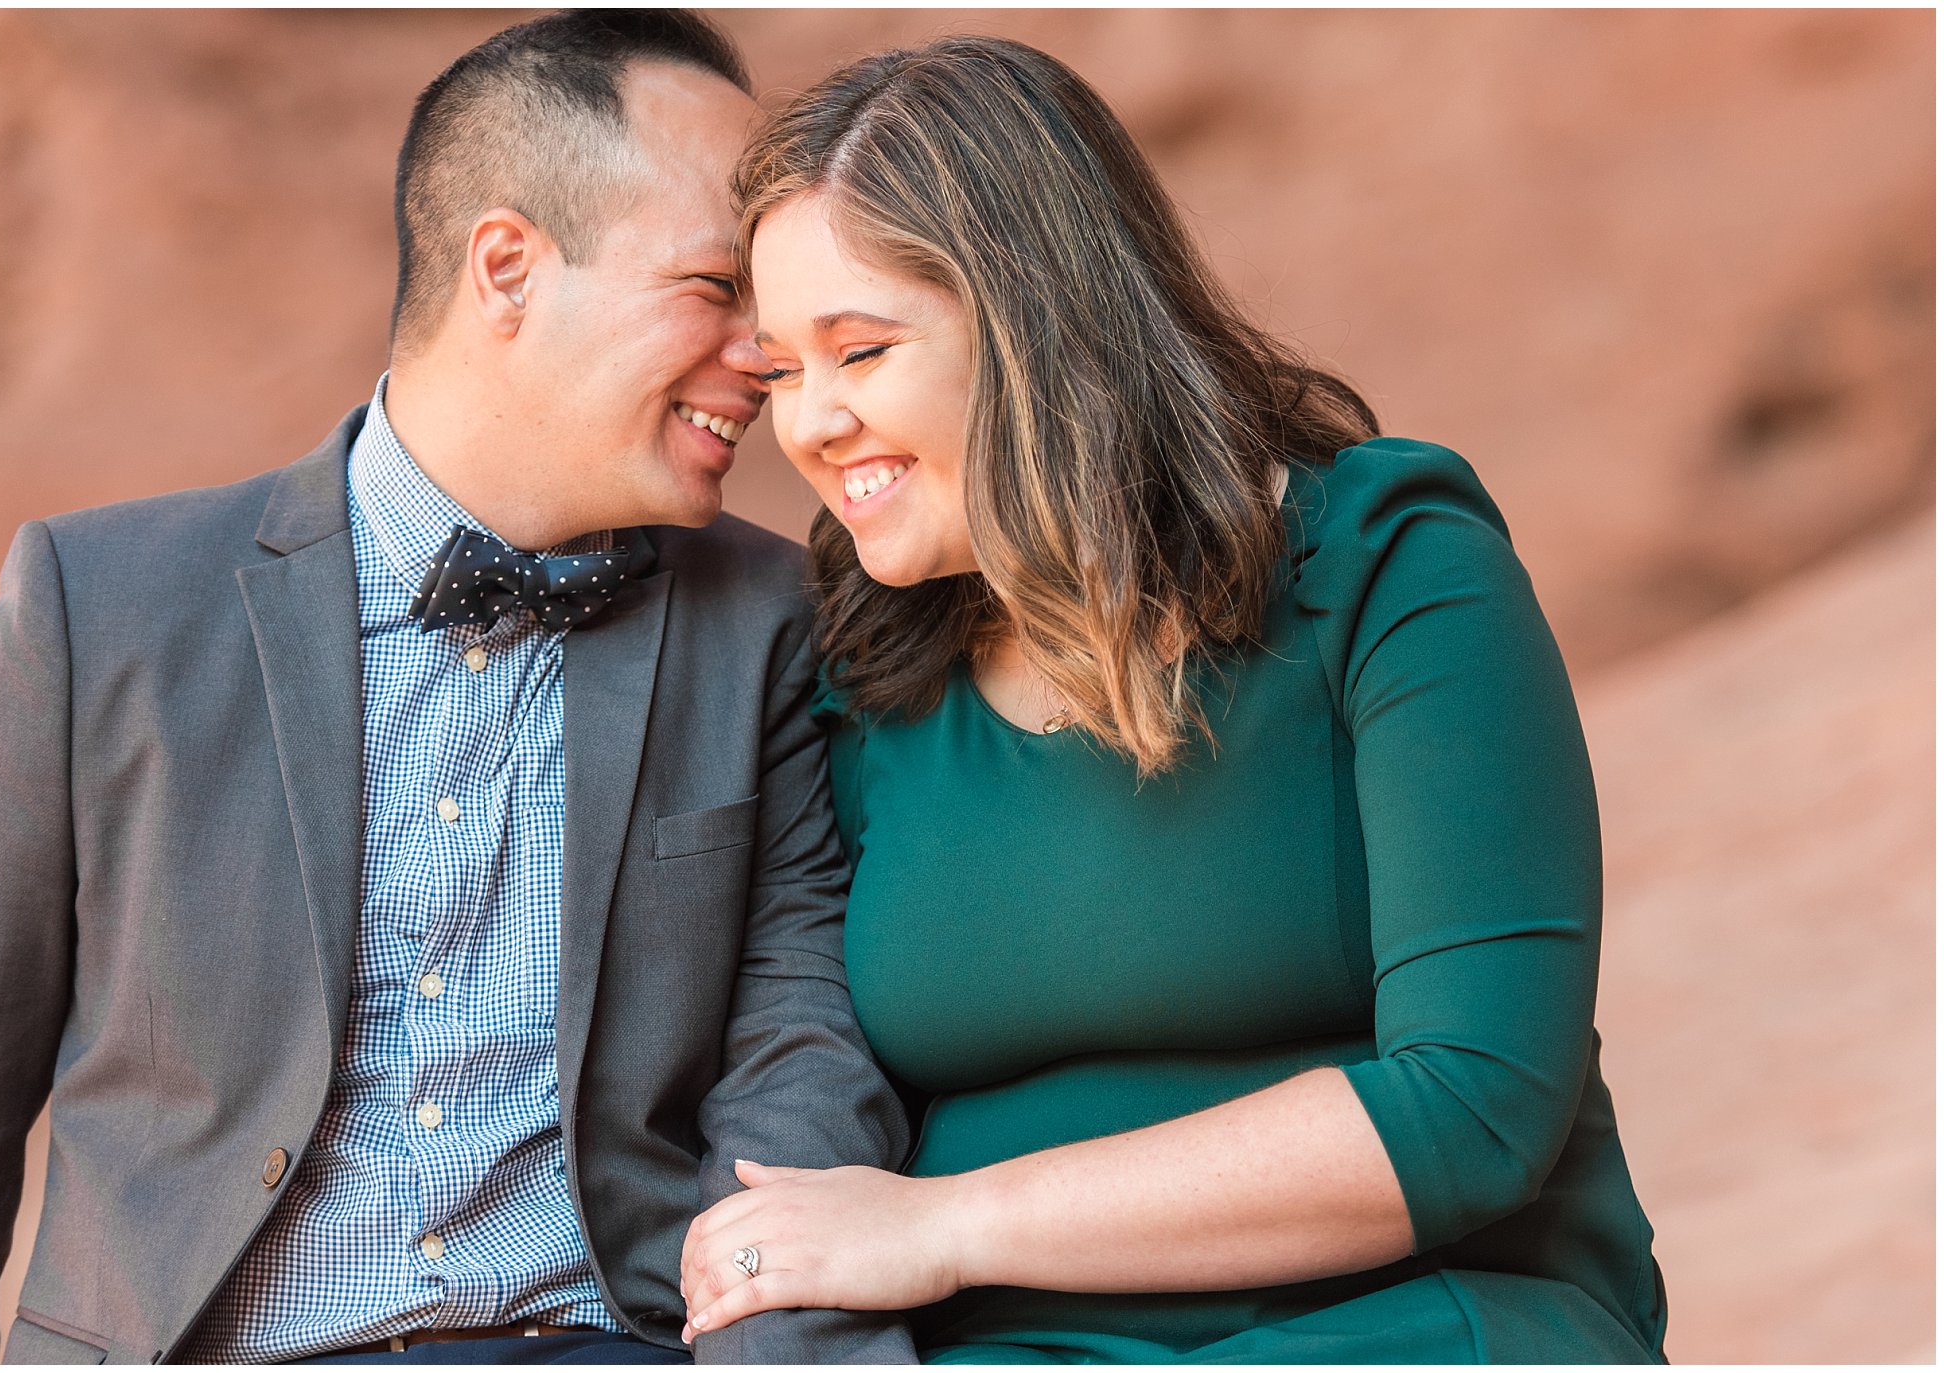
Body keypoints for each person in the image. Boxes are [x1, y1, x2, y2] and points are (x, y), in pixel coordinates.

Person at [0, 11, 914, 1366]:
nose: (768, 354)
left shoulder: (773, 630)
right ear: (508, 268)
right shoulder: (96, 611)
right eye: (717, 287)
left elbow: (796, 1070)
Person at [677, 34, 1668, 1363]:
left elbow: (1475, 1106)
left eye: (860, 350)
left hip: (1404, 1323)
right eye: (784, 370)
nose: (813, 424)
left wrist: (943, 1226)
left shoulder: (1385, 562)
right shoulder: (861, 669)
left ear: (1036, 319)